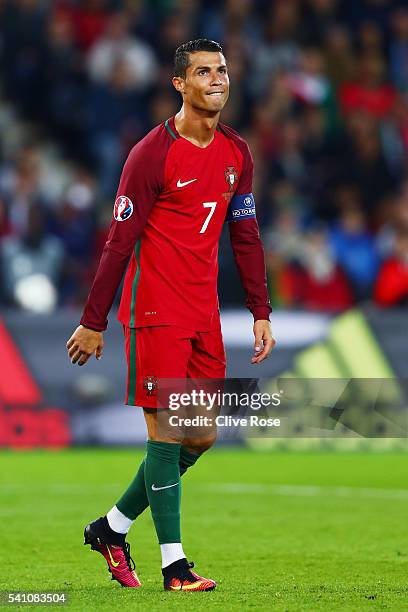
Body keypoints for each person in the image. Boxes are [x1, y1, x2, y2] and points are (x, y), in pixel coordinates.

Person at [66, 38, 275, 593]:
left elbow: (246, 234)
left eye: (223, 70)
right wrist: (95, 319)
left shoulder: (237, 153)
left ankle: (110, 528)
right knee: (166, 433)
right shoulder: (151, 154)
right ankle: (174, 566)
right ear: (178, 83)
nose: (217, 80)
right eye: (203, 72)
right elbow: (117, 242)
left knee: (200, 436)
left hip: (204, 313)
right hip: (155, 309)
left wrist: (260, 308)